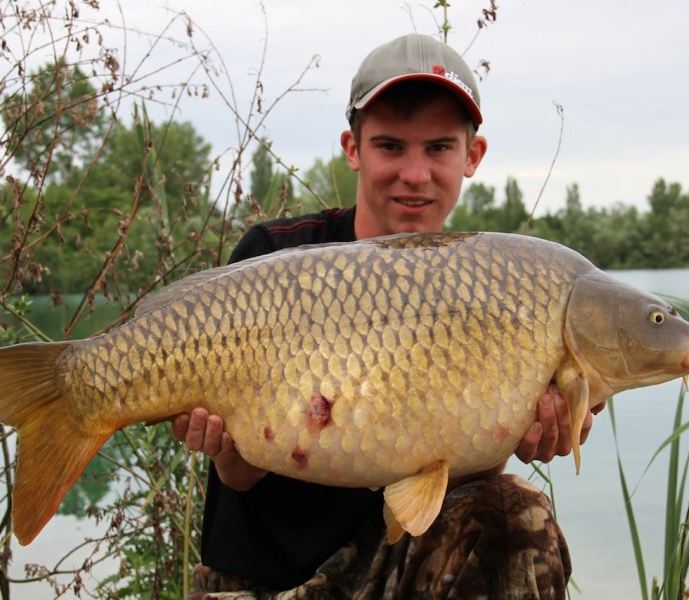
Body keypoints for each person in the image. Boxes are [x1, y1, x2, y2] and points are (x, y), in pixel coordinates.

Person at [172, 33, 599, 598]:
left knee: (514, 513)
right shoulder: (275, 258)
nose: (415, 174)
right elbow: (239, 476)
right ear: (353, 148)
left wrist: (513, 437)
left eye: (440, 148)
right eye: (391, 146)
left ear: (473, 156)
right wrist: (227, 451)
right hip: (262, 583)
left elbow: (445, 481)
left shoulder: (487, 284)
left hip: (390, 573)